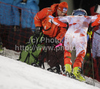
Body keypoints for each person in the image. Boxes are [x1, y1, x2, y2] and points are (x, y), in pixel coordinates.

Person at [50, 8, 100, 81]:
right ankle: (76, 72)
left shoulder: (70, 17)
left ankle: (67, 70)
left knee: (67, 52)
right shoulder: (88, 17)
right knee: (80, 55)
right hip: (81, 36)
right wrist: (92, 25)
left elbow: (54, 19)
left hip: (69, 35)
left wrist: (64, 25)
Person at [34, 2, 69, 73]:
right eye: (61, 12)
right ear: (58, 9)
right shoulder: (48, 11)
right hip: (43, 33)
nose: (62, 14)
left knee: (56, 50)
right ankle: (37, 61)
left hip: (53, 37)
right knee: (40, 47)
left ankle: (62, 68)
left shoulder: (64, 19)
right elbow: (37, 17)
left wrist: (57, 39)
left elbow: (63, 31)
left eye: (64, 13)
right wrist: (38, 27)